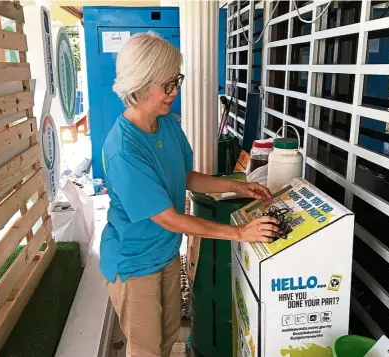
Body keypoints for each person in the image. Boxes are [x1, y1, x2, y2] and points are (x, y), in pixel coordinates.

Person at [101, 32, 280, 357]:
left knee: (169, 333)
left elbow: (184, 177)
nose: (175, 91)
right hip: (134, 259)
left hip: (166, 253)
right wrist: (239, 233)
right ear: (138, 85)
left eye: (176, 81)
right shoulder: (123, 150)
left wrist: (237, 185)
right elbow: (169, 218)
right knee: (146, 348)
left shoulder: (166, 125)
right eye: (166, 85)